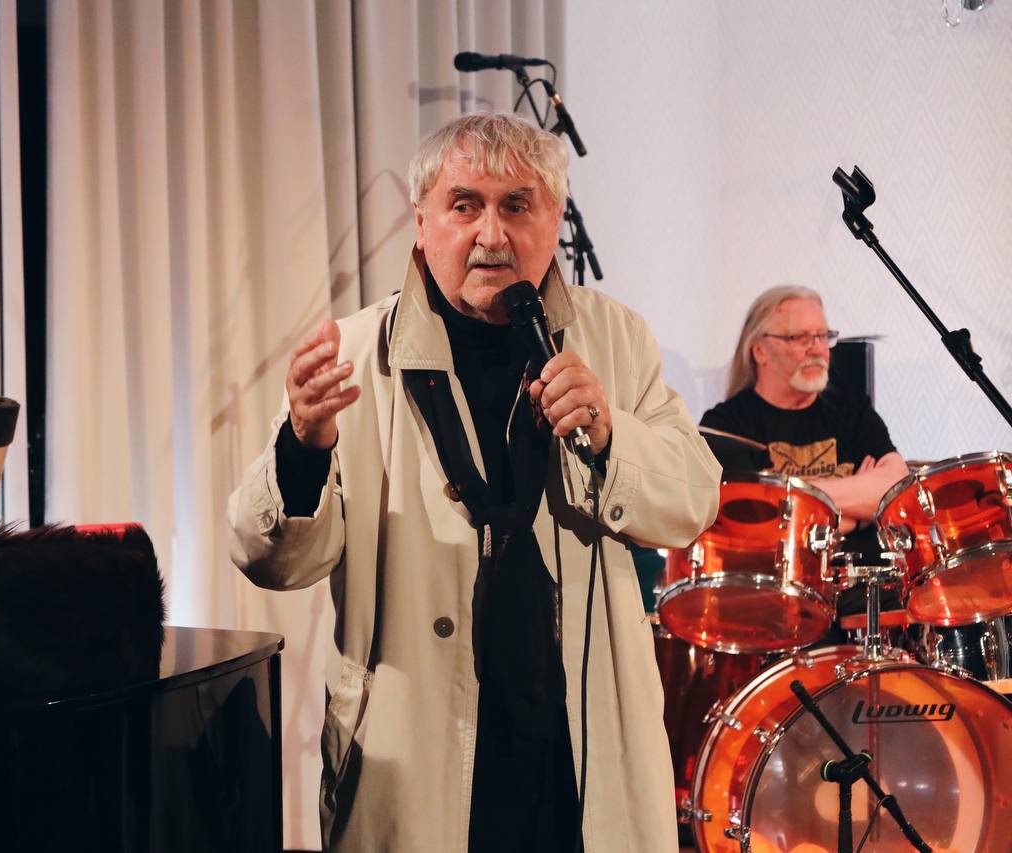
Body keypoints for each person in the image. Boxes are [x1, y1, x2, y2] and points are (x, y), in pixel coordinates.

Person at [229, 112, 721, 852]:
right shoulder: (355, 354)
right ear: (421, 221)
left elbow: (694, 499)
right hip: (418, 753)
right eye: (465, 205)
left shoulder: (615, 338)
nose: (492, 234)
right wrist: (303, 446)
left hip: (576, 747)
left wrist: (609, 433)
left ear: (554, 219)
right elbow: (272, 560)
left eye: (517, 205)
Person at [700, 285, 909, 557]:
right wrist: (858, 516)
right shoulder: (725, 426)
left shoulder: (853, 411)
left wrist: (783, 496)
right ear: (760, 351)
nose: (818, 349)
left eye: (823, 336)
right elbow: (757, 526)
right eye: (799, 338)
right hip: (776, 579)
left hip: (862, 579)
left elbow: (896, 491)